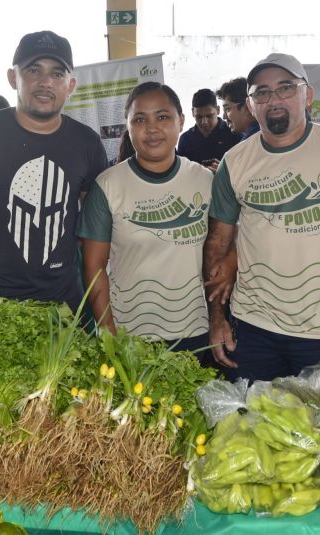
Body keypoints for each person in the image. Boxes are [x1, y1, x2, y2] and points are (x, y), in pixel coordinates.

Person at [204, 53, 320, 382]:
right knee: (250, 425)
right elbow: (217, 242)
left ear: (308, 96)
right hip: (252, 326)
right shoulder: (235, 161)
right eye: (262, 92)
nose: (273, 99)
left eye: (286, 88)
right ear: (250, 103)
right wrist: (217, 318)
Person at [0, 31, 108, 326]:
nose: (45, 82)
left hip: (63, 307)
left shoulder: (88, 144)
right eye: (33, 70)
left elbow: (91, 230)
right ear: (13, 78)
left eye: (57, 73)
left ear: (71, 85)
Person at [78, 82, 212, 352]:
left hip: (194, 330)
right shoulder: (107, 185)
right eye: (140, 119)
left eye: (162, 117)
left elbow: (221, 251)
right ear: (127, 126)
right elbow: (94, 269)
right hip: (131, 335)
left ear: (182, 121)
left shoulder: (205, 180)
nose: (151, 128)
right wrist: (109, 335)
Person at [177, 88, 240, 171]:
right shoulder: (185, 139)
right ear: (192, 112)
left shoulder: (234, 134)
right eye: (199, 117)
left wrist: (224, 171)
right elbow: (181, 172)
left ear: (218, 110)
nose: (204, 122)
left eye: (209, 116)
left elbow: (244, 170)